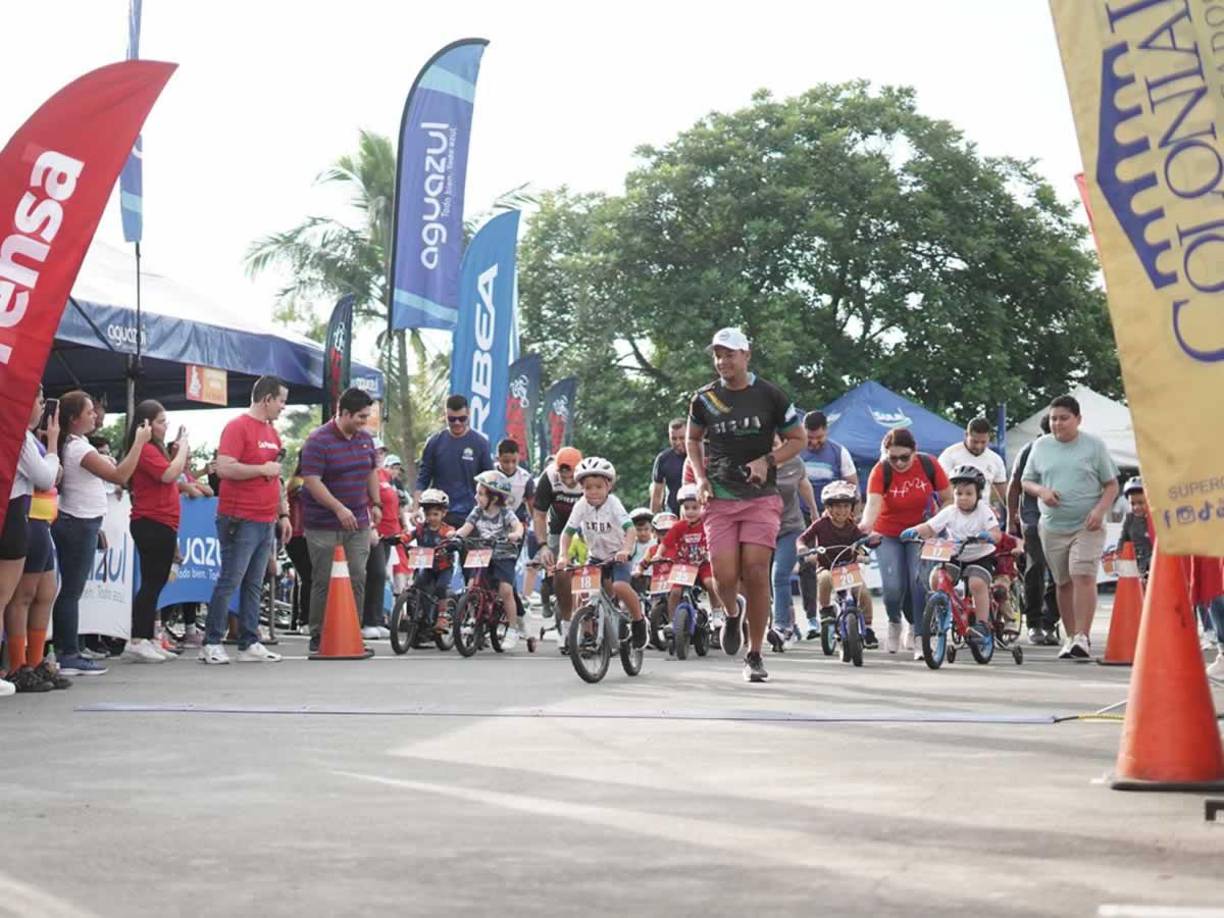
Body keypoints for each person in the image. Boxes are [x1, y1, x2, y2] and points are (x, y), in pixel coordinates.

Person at [686, 327, 804, 683]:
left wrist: (767, 460)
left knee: (755, 571)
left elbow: (796, 439)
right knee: (722, 576)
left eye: (730, 354)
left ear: (746, 355)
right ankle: (731, 612)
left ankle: (754, 654)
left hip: (760, 497)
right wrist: (700, 477)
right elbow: (693, 439)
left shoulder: (770, 395)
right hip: (719, 497)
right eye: (717, 355)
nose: (723, 361)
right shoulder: (704, 399)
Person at [52, 391, 151, 676]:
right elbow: (121, 476)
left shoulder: (80, 444)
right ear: (74, 419)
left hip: (84, 522)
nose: (95, 415)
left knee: (72, 590)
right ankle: (67, 652)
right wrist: (139, 443)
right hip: (78, 523)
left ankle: (70, 648)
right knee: (71, 591)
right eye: (89, 412)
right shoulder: (78, 449)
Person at [199, 376, 290, 665]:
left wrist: (282, 513)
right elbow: (225, 468)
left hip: (265, 518)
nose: (283, 407)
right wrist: (262, 467)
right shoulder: (237, 427)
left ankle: (249, 640)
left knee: (254, 583)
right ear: (267, 399)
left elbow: (275, 477)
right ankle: (212, 641)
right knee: (231, 579)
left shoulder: (272, 433)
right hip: (239, 516)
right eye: (281, 401)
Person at [1021, 394, 1119, 660]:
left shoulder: (1093, 446)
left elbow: (1111, 485)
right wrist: (1042, 492)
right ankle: (1071, 637)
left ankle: (1083, 637)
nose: (1058, 424)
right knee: (1062, 582)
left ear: (1078, 420)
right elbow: (1026, 481)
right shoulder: (1040, 447)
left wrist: (1100, 510)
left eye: (1064, 418)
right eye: (1054, 419)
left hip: (1087, 523)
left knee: (1083, 574)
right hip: (1052, 526)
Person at [301, 387, 381, 654]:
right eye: (360, 416)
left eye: (366, 417)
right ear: (344, 413)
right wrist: (337, 508)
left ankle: (351, 632)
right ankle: (319, 635)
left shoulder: (366, 440)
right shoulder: (318, 440)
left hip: (358, 521)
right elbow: (312, 480)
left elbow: (371, 472)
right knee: (324, 578)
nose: (363, 422)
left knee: (357, 575)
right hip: (323, 523)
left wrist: (376, 503)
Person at [860, 428, 953, 658]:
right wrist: (863, 528)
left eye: (904, 457)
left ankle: (920, 634)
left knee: (919, 583)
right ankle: (894, 622)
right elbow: (872, 505)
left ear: (915, 451)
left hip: (921, 531)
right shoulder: (880, 470)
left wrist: (936, 523)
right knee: (893, 587)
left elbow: (949, 498)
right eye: (893, 458)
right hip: (888, 532)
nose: (899, 463)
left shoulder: (929, 464)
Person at [2, 388, 65, 692]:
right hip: (23, 515)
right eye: (39, 401)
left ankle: (33, 661)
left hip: (35, 518)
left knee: (44, 593)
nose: (43, 408)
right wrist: (53, 444)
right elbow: (45, 477)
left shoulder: (27, 436)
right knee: (15, 597)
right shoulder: (18, 435)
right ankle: (16, 665)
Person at [901, 465, 1003, 645]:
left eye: (968, 494)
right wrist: (914, 531)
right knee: (936, 578)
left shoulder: (984, 511)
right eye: (959, 493)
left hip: (980, 556)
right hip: (956, 555)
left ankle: (981, 624)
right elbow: (931, 527)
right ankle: (942, 608)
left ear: (978, 495)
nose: (963, 498)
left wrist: (989, 536)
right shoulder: (950, 511)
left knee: (976, 583)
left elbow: (996, 534)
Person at [124, 399, 190, 664]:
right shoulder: (146, 450)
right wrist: (183, 449)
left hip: (163, 522)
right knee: (152, 582)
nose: (165, 427)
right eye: (161, 422)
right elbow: (168, 475)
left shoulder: (156, 450)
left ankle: (148, 637)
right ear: (147, 424)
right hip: (151, 520)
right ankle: (138, 639)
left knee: (157, 581)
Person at [556, 457, 647, 649]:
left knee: (620, 587)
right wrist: (563, 556)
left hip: (618, 555)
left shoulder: (613, 504)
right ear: (581, 488)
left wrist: (626, 550)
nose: (593, 492)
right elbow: (567, 533)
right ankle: (588, 634)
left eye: (598, 487)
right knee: (583, 593)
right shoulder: (581, 505)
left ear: (608, 486)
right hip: (595, 557)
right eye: (588, 488)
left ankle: (639, 622)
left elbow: (630, 530)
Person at [449, 470, 525, 647]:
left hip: (504, 553)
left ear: (495, 498)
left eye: (481, 494)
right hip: (481, 552)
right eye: (477, 493)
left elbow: (517, 526)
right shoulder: (477, 511)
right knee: (471, 586)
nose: (477, 497)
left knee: (505, 590)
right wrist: (457, 535)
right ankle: (472, 619)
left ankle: (513, 629)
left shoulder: (506, 513)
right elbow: (466, 527)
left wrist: (516, 534)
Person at [796, 410, 858, 623]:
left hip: (833, 515)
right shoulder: (795, 451)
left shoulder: (839, 452)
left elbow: (853, 486)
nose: (813, 442)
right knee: (806, 564)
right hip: (801, 514)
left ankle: (846, 605)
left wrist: (850, 516)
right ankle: (813, 616)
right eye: (809, 438)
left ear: (826, 432)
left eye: (818, 438)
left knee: (840, 558)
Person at [798, 480, 876, 645]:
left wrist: (871, 541)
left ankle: (868, 628)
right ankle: (826, 610)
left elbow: (863, 540)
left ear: (851, 509)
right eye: (838, 507)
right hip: (827, 567)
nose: (842, 511)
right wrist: (802, 548)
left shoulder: (852, 527)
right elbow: (802, 538)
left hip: (848, 568)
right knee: (825, 579)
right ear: (828, 508)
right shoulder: (821, 524)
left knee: (863, 592)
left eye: (846, 506)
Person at [1007, 413, 1061, 645]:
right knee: (1036, 565)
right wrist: (1011, 519)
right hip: (1033, 516)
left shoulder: (1070, 449)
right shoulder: (1030, 450)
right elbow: (1014, 486)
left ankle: (1051, 622)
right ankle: (1034, 623)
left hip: (1062, 517)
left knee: (1061, 572)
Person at [414, 394, 492, 528]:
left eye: (462, 419)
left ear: (468, 414)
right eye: (452, 419)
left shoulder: (480, 443)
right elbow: (423, 478)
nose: (457, 423)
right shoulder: (434, 442)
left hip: (471, 516)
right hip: (439, 516)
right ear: (445, 415)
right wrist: (416, 508)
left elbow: (489, 482)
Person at [532, 446, 584, 645]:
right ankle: (565, 621)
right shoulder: (549, 478)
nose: (566, 479)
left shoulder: (589, 475)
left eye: (570, 474)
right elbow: (539, 514)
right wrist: (543, 545)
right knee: (559, 570)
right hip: (558, 527)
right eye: (562, 473)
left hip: (585, 525)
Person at [656, 483, 724, 634]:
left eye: (695, 507)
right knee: (674, 592)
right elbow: (665, 543)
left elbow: (717, 541)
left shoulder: (707, 525)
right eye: (687, 508)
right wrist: (658, 554)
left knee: (711, 584)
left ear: (702, 507)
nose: (690, 512)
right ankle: (673, 621)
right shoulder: (678, 526)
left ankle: (717, 612)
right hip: (683, 566)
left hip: (703, 564)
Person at [772, 446, 819, 647]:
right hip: (761, 528)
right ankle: (790, 623)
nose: (773, 448)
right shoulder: (756, 462)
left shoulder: (795, 462)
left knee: (780, 575)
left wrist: (815, 512)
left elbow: (804, 485)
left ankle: (782, 627)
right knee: (765, 580)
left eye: (776, 443)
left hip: (790, 527)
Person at [400, 489, 456, 631]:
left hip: (443, 567)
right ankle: (419, 616)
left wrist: (453, 538)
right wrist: (398, 539)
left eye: (436, 514)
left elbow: (453, 536)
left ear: (444, 514)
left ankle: (442, 617)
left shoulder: (446, 530)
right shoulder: (420, 529)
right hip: (425, 566)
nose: (432, 518)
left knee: (440, 587)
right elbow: (408, 536)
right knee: (418, 585)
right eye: (428, 514)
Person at [362, 452, 402, 639]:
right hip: (375, 531)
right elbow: (365, 501)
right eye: (377, 452)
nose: (379, 455)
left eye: (381, 452)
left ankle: (376, 620)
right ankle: (368, 621)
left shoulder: (386, 476)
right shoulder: (368, 474)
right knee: (375, 573)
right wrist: (371, 526)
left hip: (389, 533)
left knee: (381, 576)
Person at [939, 417, 1008, 515]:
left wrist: (1013, 513)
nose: (978, 446)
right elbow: (941, 488)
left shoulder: (996, 459)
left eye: (983, 442)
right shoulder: (949, 455)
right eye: (974, 442)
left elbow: (1004, 493)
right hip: (954, 515)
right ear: (966, 435)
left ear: (989, 438)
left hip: (983, 516)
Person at [284, 462, 312, 633]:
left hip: (305, 535)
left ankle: (297, 619)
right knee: (309, 576)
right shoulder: (297, 481)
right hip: (297, 535)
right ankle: (304, 619)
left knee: (303, 577)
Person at [649, 419, 689, 514]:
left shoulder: (700, 455)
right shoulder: (663, 459)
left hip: (699, 512)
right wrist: (655, 520)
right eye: (674, 439)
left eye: (682, 438)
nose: (678, 442)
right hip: (673, 513)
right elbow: (656, 496)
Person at [1117, 476, 1153, 580]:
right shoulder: (1129, 518)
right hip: (1134, 563)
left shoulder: (1156, 519)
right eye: (1132, 504)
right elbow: (1122, 539)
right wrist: (1119, 553)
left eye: (1141, 503)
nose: (1136, 507)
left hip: (1153, 564)